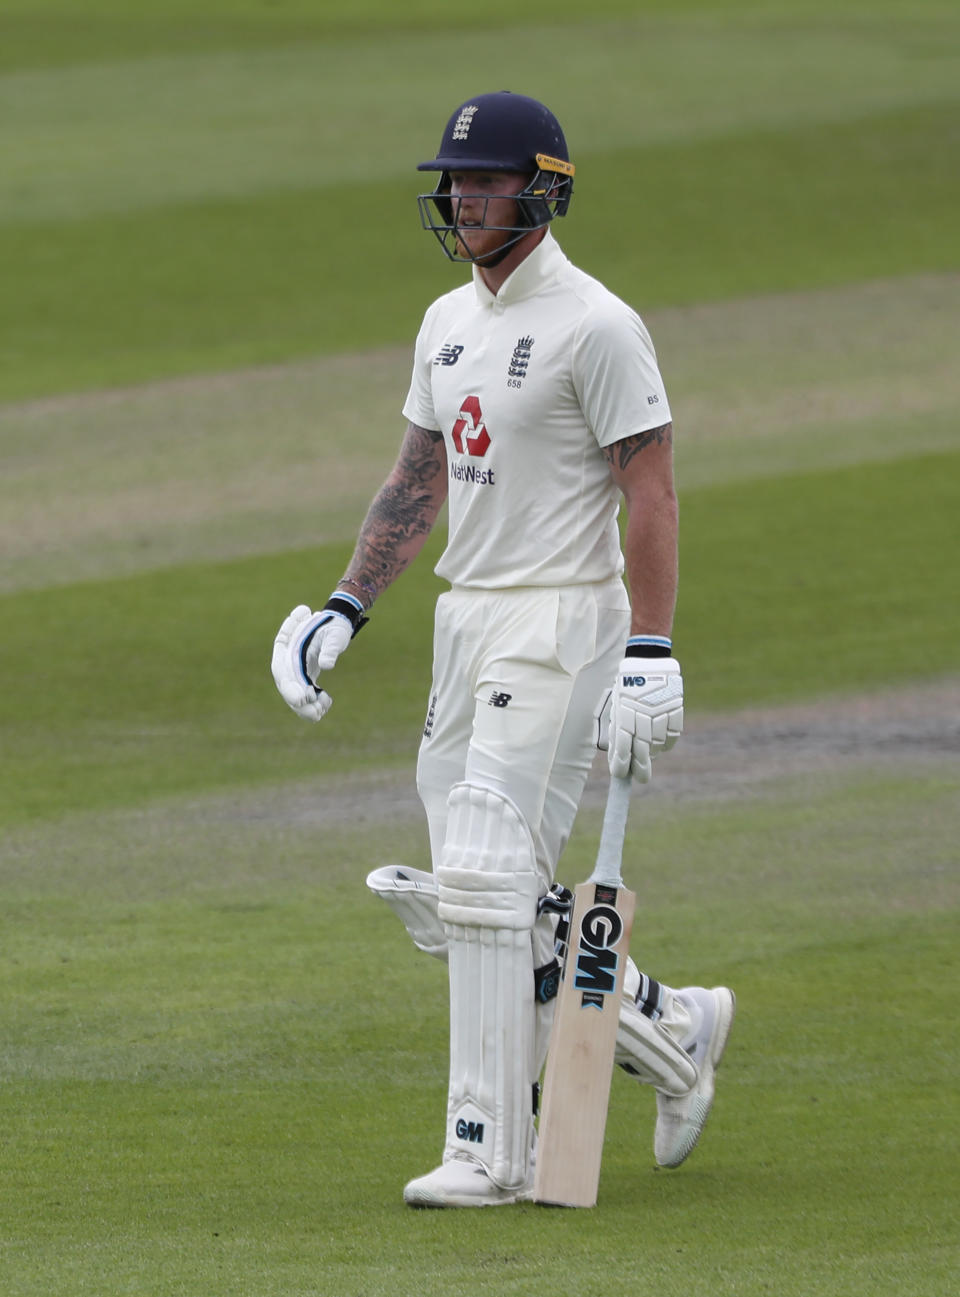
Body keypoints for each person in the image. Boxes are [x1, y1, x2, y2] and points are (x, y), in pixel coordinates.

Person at [271, 91, 734, 1208]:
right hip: (465, 616)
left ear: (543, 188)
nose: (465, 196)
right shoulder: (445, 321)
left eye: (486, 179)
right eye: (456, 180)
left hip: (564, 614)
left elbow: (653, 490)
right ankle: (671, 1025)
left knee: (482, 874)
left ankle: (489, 1147)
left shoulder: (598, 325)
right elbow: (417, 478)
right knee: (477, 903)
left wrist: (652, 649)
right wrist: (344, 604)